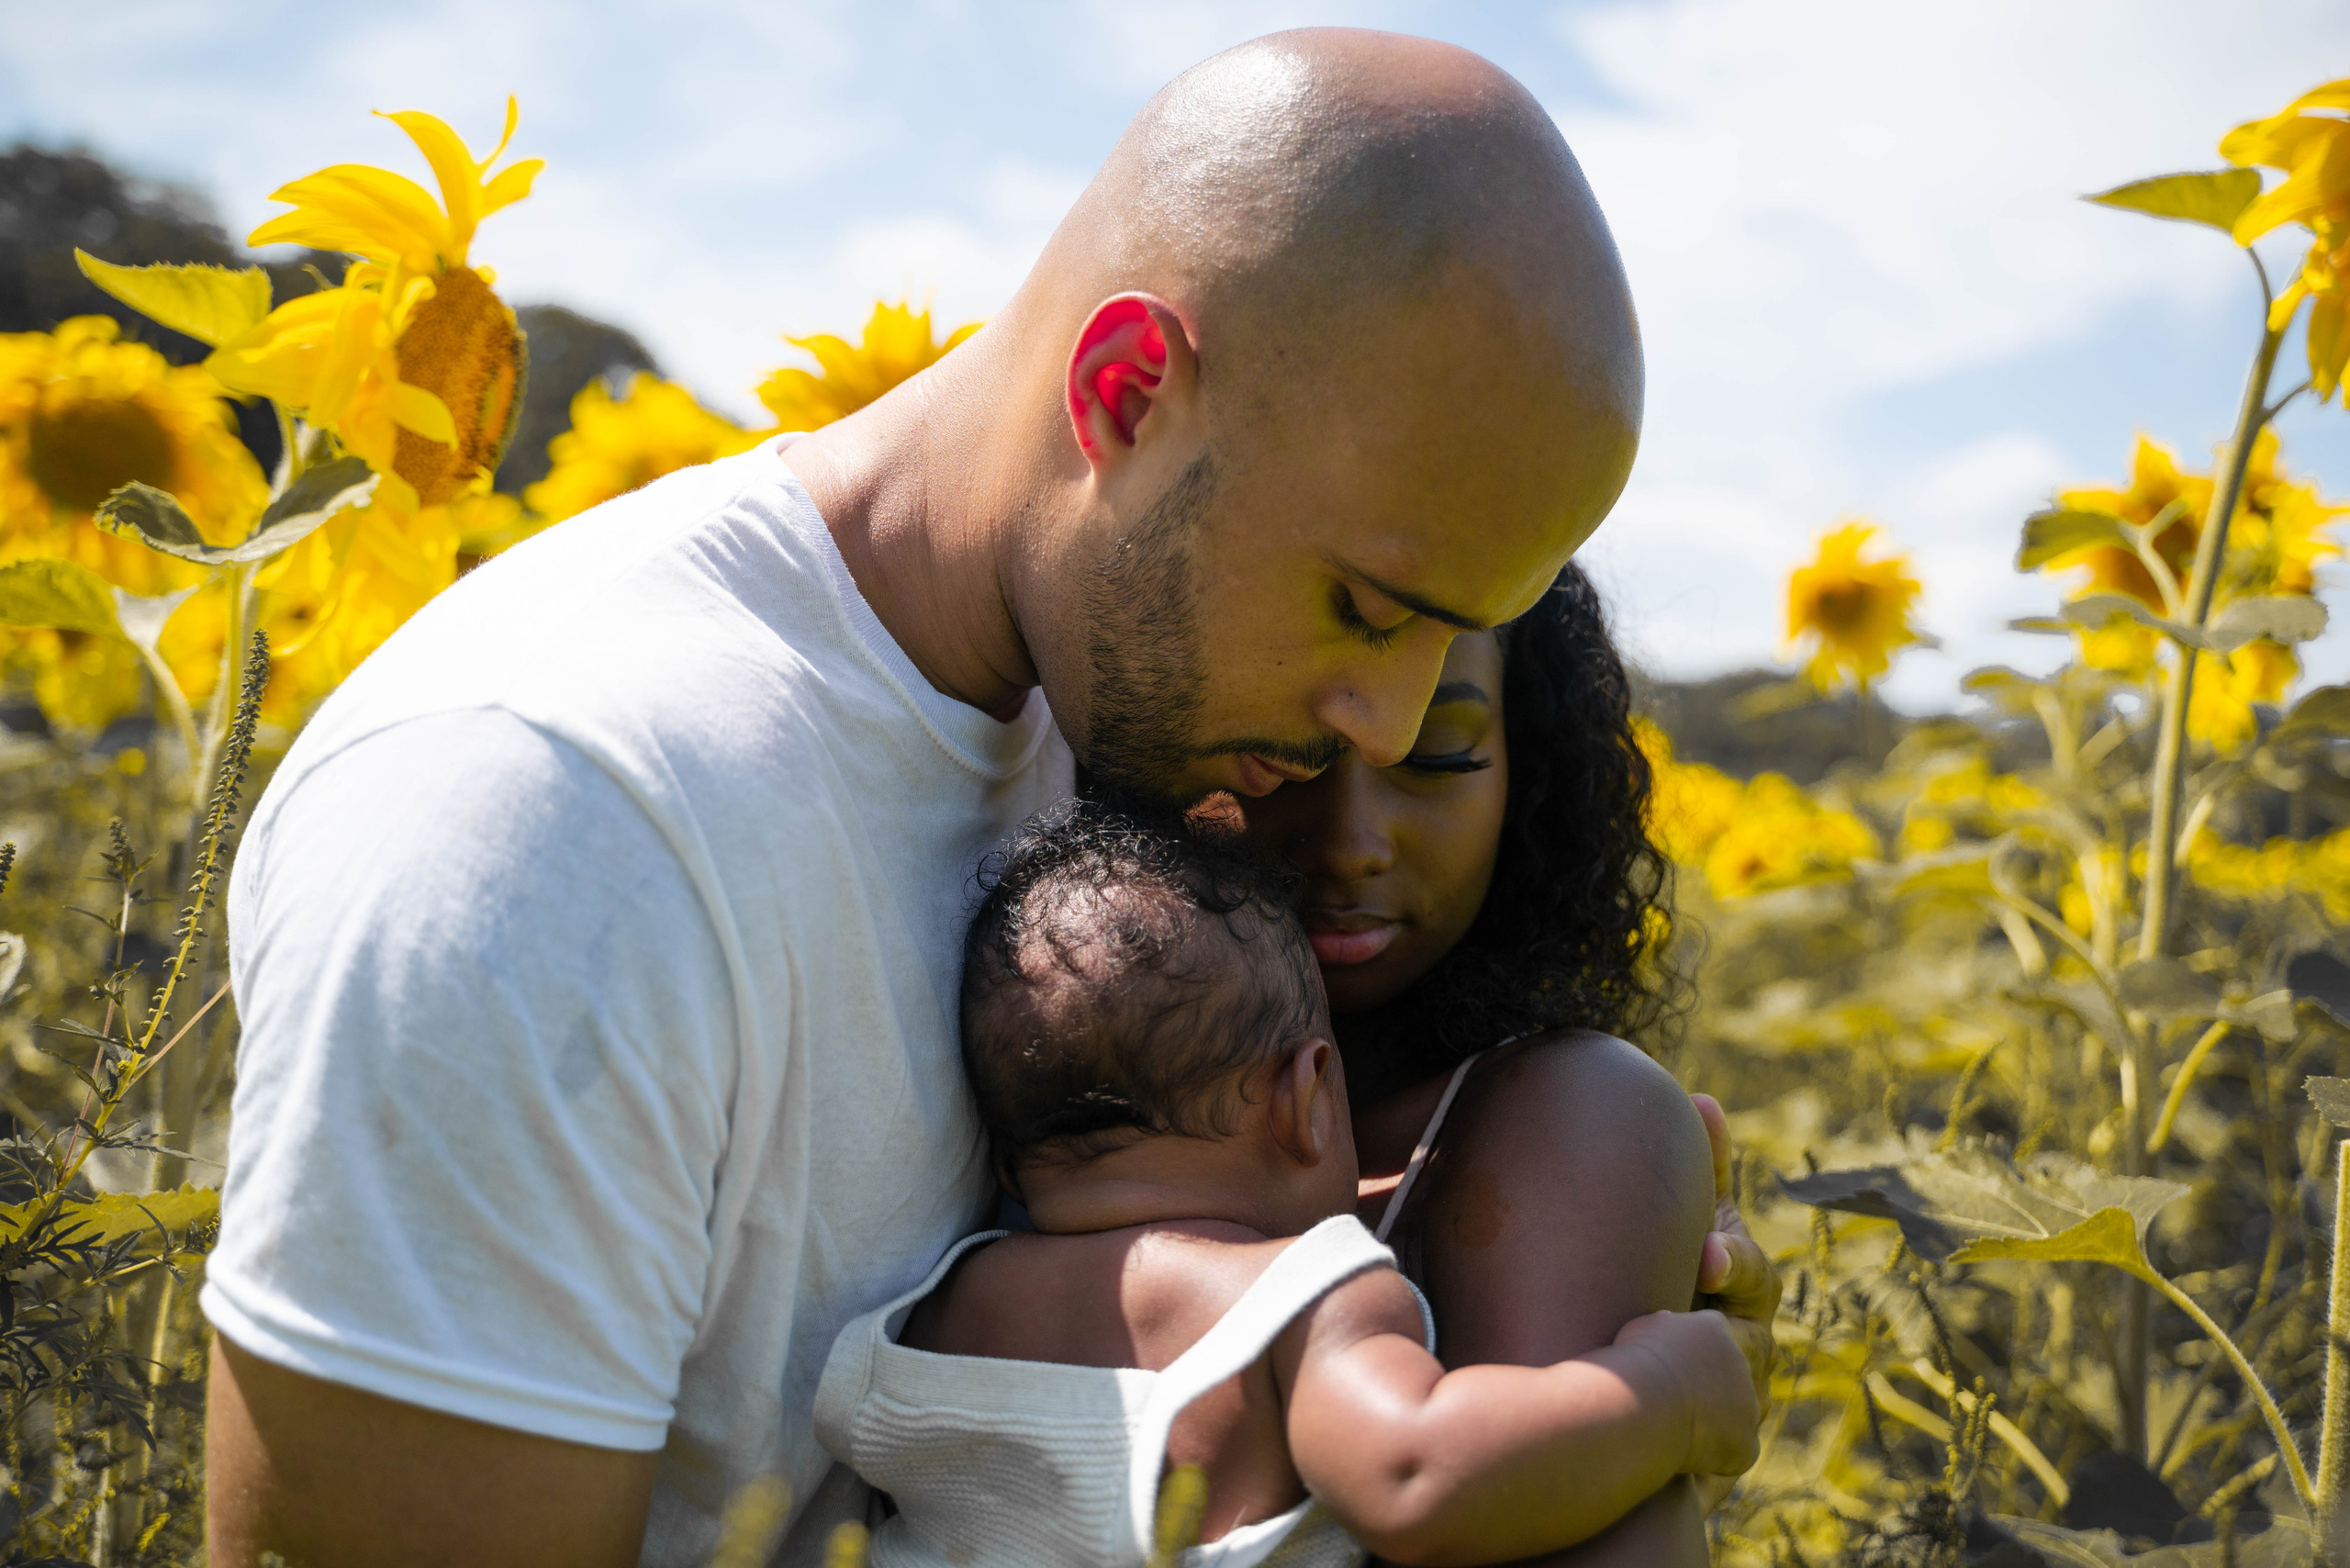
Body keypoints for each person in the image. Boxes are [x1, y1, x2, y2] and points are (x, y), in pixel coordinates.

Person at [199, 28, 1736, 1568]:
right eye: (1361, 606)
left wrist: (1558, 1243)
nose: (1380, 725)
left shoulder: (1138, 715)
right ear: (1128, 391)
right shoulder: (545, 822)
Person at [814, 803, 1762, 1566]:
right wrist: (1669, 1392)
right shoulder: (1303, 1299)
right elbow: (1420, 1476)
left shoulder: (933, 1312)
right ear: (1307, 1094)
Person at [1234, 563, 1775, 1564]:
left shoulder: (1570, 1109)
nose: (1351, 842)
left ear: (1530, 773)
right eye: (1285, 749)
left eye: (1437, 753)